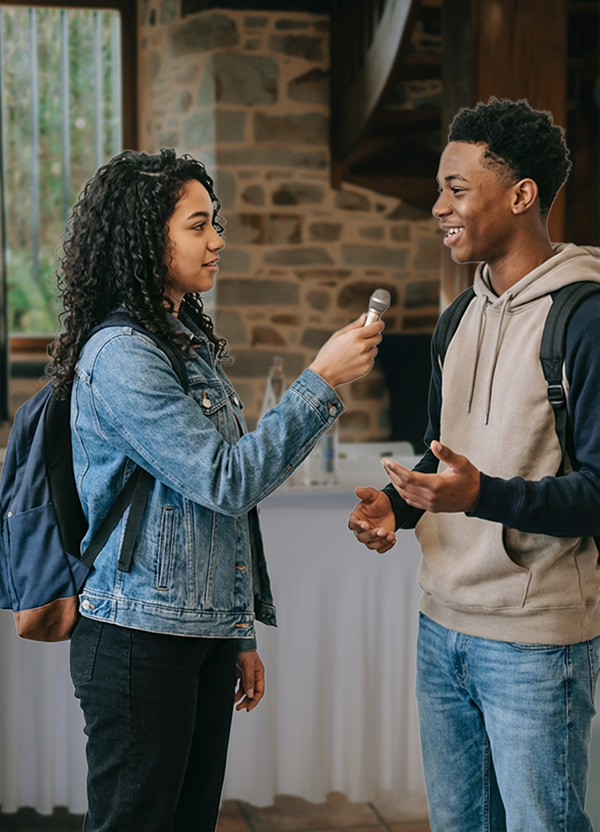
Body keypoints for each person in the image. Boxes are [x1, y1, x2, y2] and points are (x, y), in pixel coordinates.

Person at [49, 147, 383, 832]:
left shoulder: (180, 340)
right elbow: (227, 481)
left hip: (191, 633)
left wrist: (235, 631)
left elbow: (208, 510)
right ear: (147, 238)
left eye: (216, 222)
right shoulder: (123, 355)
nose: (217, 241)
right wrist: (320, 380)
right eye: (198, 225)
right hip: (138, 638)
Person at [349, 97, 600, 831]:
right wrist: (396, 511)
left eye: (456, 189)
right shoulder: (456, 318)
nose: (437, 207)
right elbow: (442, 460)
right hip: (441, 626)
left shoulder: (582, 320)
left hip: (535, 640)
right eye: (439, 189)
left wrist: (480, 494)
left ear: (521, 195)